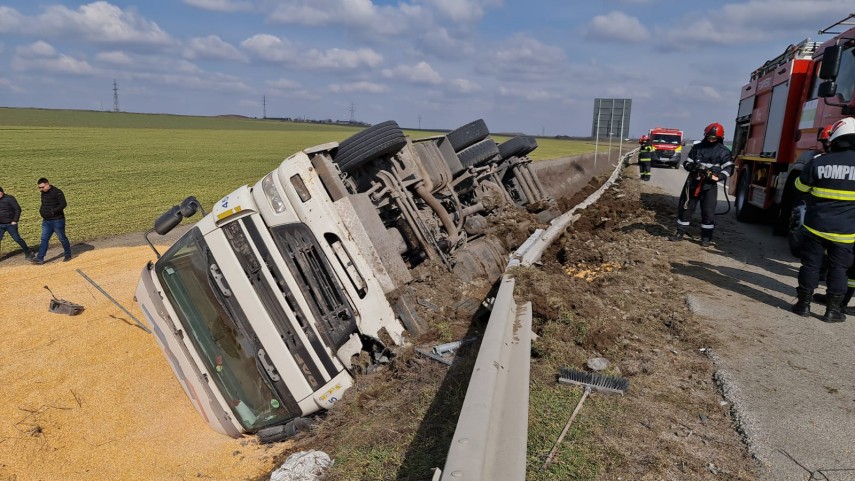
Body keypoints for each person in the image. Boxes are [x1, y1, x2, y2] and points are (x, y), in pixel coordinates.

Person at [791, 117, 855, 322]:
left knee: (810, 265)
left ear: (834, 138)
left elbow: (800, 189)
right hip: (846, 231)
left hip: (815, 226)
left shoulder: (818, 162)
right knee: (839, 269)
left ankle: (803, 306)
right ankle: (832, 311)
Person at [668, 123, 734, 247]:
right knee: (686, 208)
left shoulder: (723, 152)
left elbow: (729, 168)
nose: (711, 140)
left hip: (709, 186)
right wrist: (692, 167)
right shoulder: (697, 148)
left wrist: (717, 176)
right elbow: (687, 162)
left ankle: (706, 238)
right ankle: (680, 233)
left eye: (714, 138)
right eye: (709, 137)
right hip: (693, 183)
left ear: (720, 138)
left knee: (708, 212)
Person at [31, 177, 72, 264]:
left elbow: (63, 204)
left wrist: (53, 211)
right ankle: (40, 258)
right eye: (39, 187)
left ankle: (68, 254)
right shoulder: (43, 193)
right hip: (46, 221)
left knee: (62, 238)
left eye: (42, 187)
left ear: (47, 184)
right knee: (44, 239)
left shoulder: (57, 192)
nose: (41, 189)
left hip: (57, 220)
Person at [0, 186, 34, 259]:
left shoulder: (9, 199)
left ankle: (28, 252)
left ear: (2, 192)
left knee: (17, 239)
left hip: (10, 224)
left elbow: (17, 209)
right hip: (0, 224)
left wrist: (15, 221)